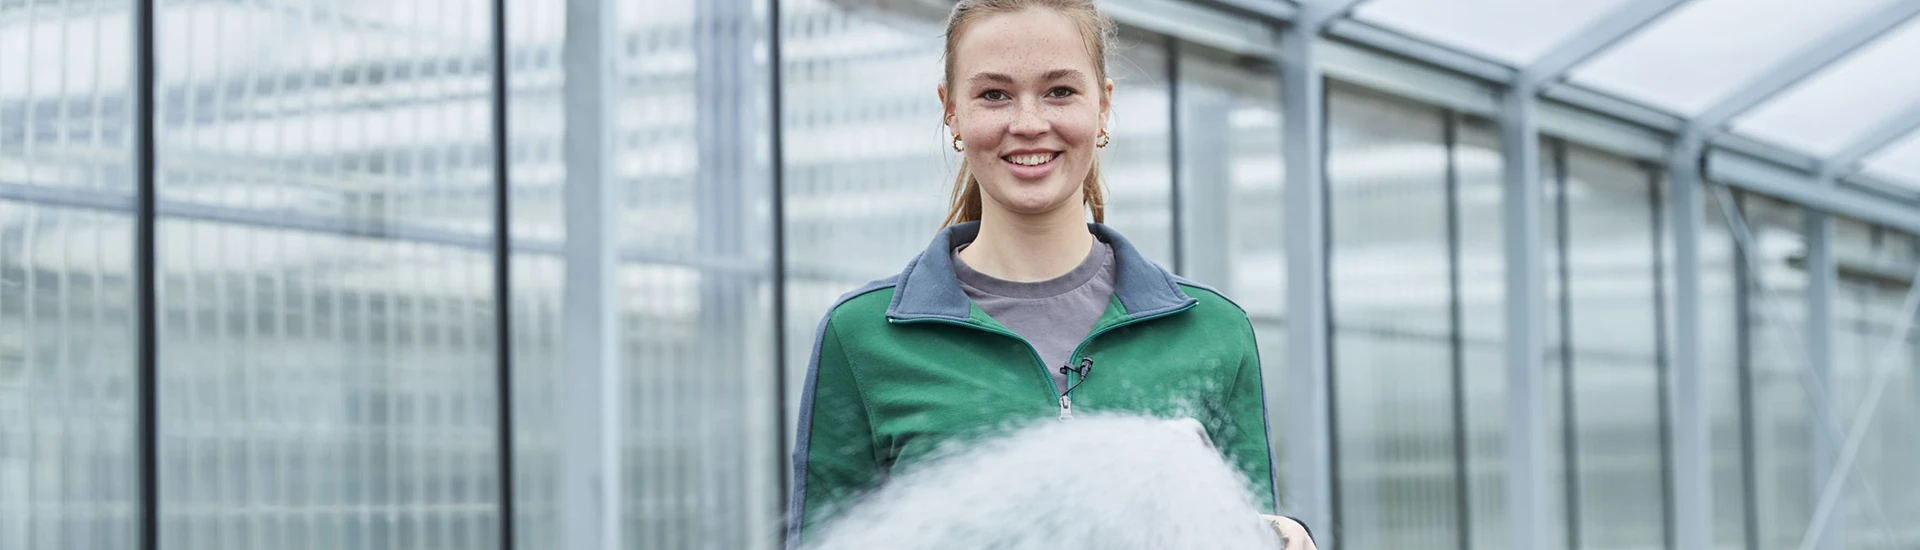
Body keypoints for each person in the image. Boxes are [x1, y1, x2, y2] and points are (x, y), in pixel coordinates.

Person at [785, 1, 1316, 548]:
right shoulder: (865, 335)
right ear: (951, 111)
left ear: (1104, 106)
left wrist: (1278, 535)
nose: (1029, 124)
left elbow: (1240, 526)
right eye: (994, 94)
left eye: (1060, 91)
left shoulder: (1212, 331)